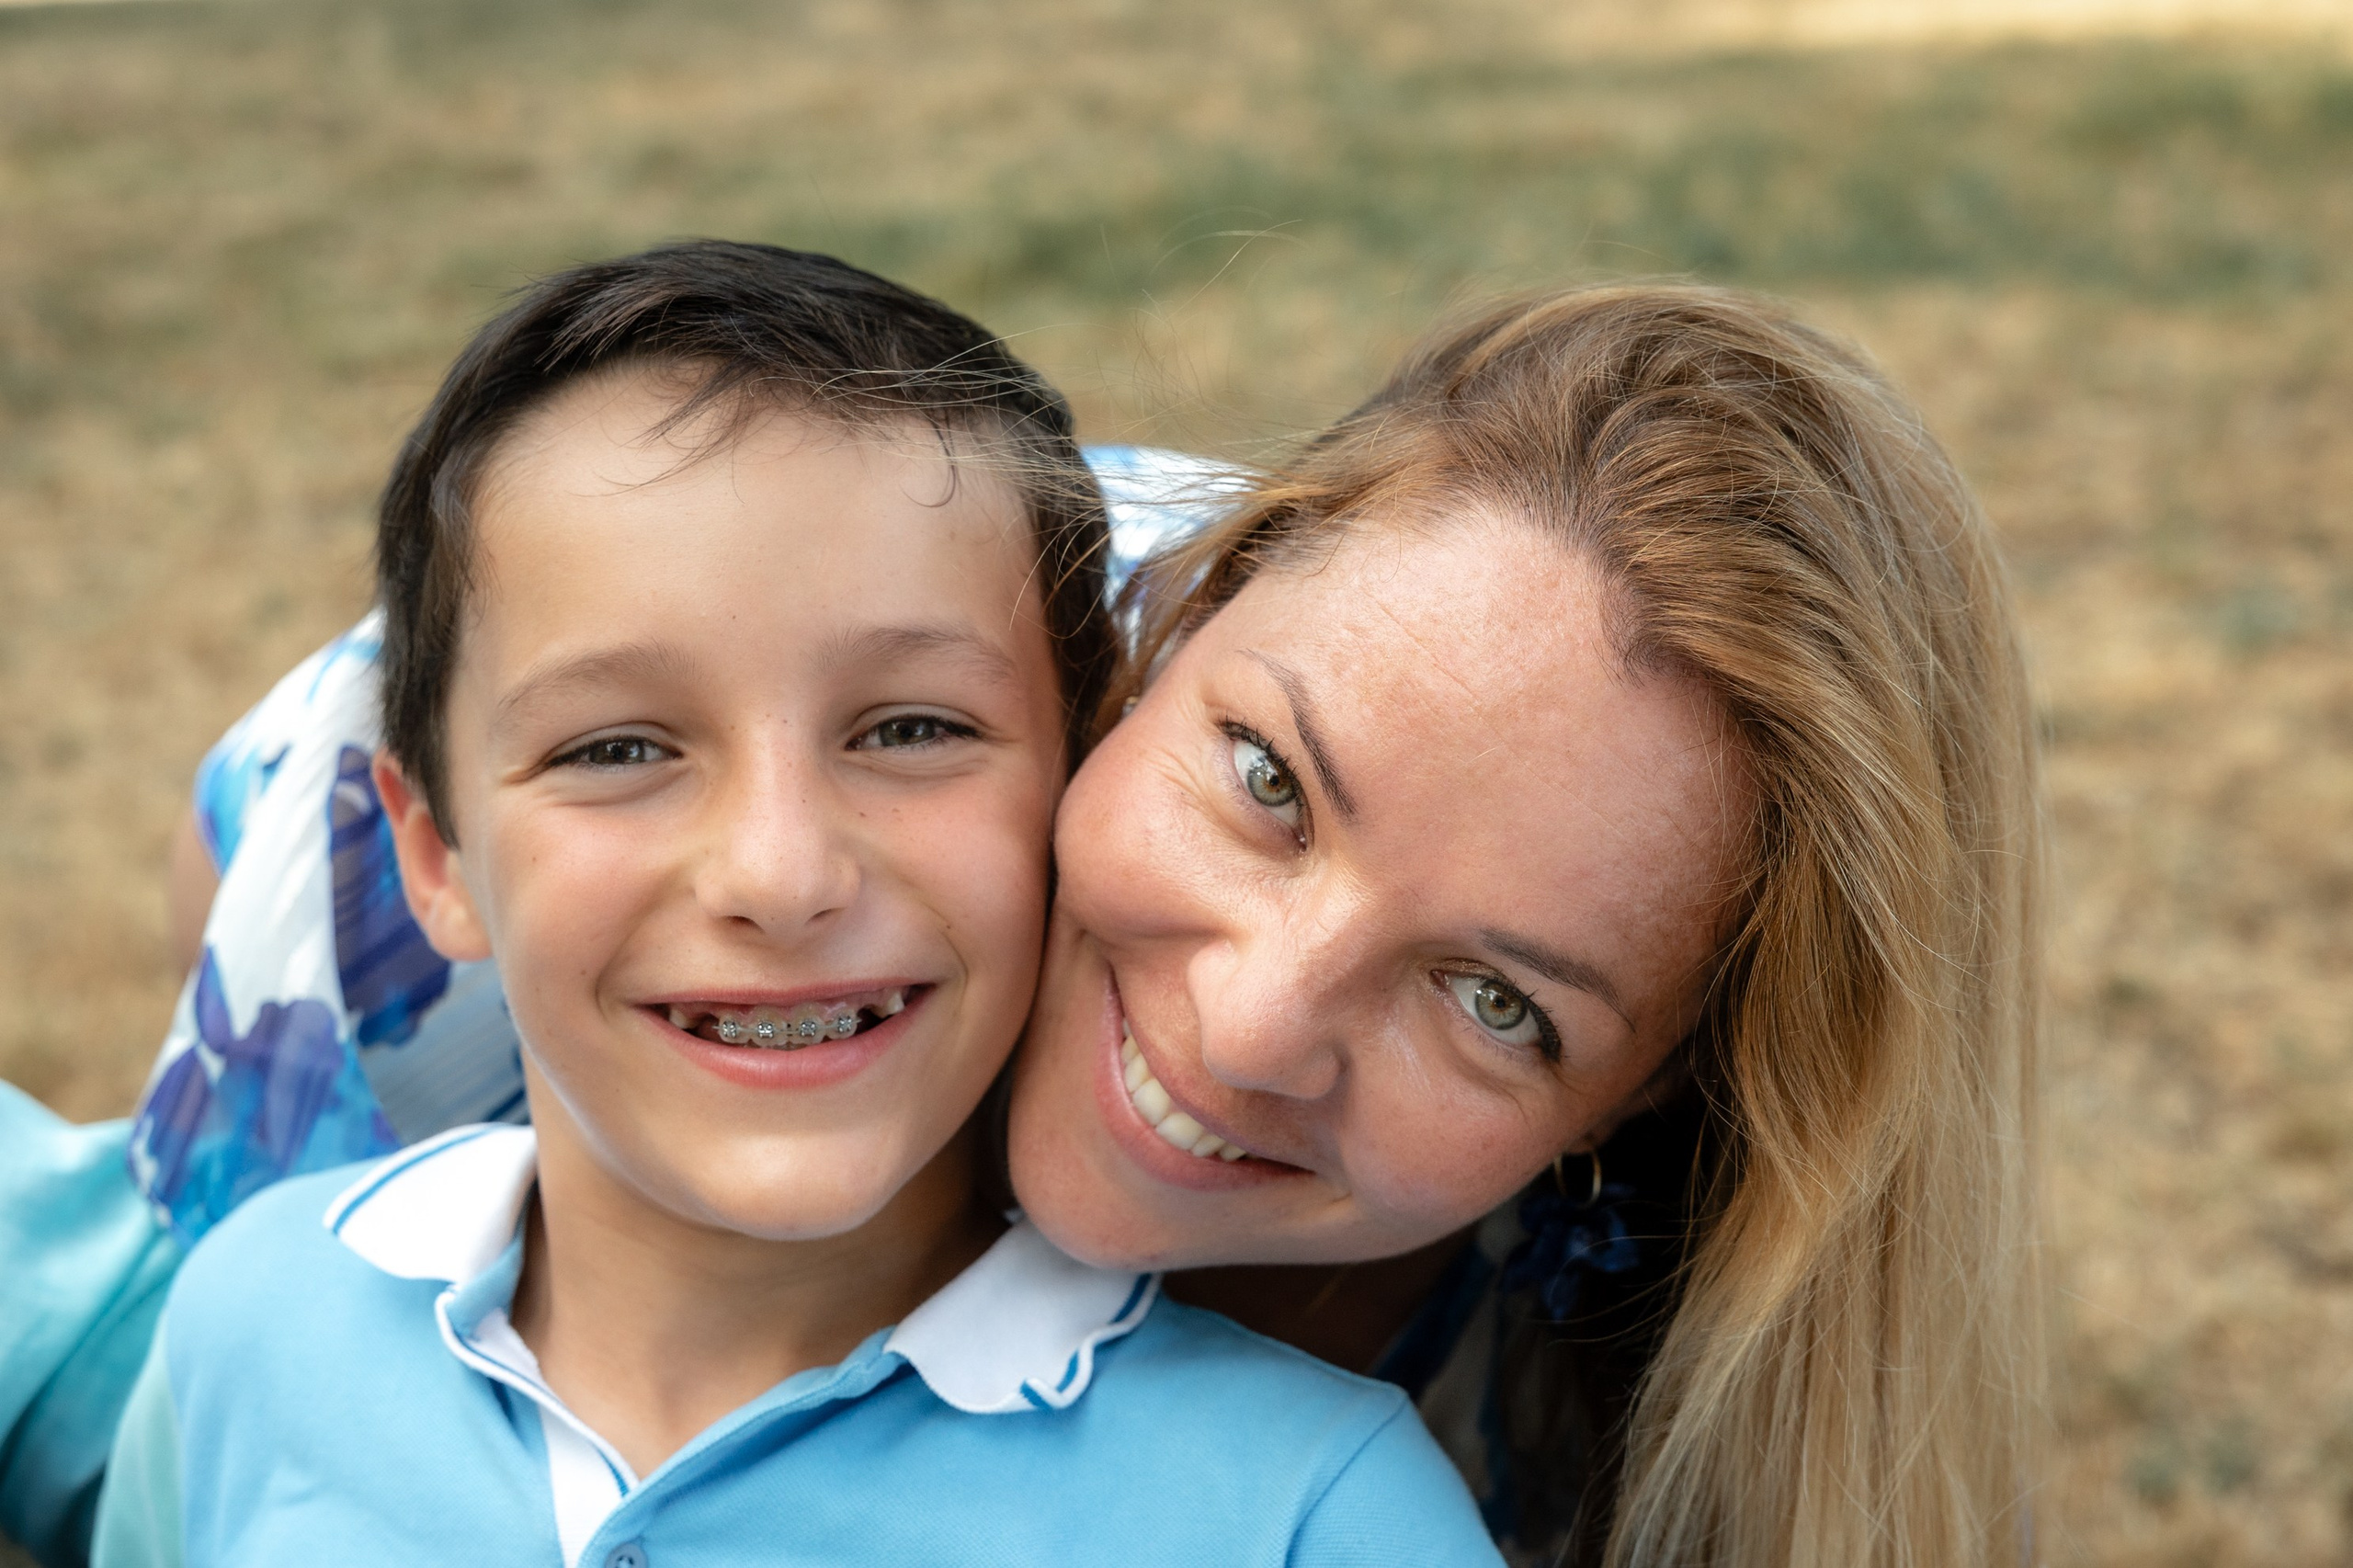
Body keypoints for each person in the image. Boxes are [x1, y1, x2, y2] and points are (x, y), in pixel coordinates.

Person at [6, 279, 2040, 1568]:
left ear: (1645, 1090)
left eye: (1497, 1000)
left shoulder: (1390, 1475)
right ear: (1150, 651)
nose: (1249, 1026)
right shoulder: (398, 959)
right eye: (1266, 781)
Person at [80, 241, 1499, 1568]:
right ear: (436, 857)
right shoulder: (254, 1321)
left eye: (910, 729)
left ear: (1079, 779)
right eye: (618, 749)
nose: (782, 874)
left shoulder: (1310, 1518)